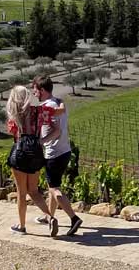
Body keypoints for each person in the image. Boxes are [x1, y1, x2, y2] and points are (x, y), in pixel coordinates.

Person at [32, 75, 83, 236]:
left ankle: (74, 218)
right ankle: (49, 216)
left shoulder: (46, 109)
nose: (34, 94)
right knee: (52, 186)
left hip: (53, 153)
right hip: (65, 151)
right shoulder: (57, 103)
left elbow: (56, 130)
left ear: (42, 90)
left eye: (35, 90)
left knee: (54, 189)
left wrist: (41, 141)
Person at [5, 85, 59, 236]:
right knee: (34, 191)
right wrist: (41, 141)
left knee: (22, 193)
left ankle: (22, 226)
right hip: (36, 151)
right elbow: (56, 124)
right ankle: (50, 217)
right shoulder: (39, 110)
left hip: (20, 152)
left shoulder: (15, 114)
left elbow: (12, 132)